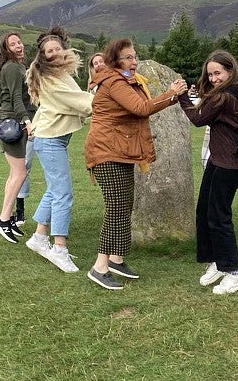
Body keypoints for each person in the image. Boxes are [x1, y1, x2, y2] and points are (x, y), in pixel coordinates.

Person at [83, 38, 187, 290]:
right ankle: (99, 267)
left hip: (120, 150)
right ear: (115, 61)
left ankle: (116, 259)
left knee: (124, 204)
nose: (134, 60)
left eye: (135, 56)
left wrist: (171, 96)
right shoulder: (114, 81)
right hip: (107, 151)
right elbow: (140, 108)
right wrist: (172, 94)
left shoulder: (125, 79)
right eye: (129, 57)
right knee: (116, 207)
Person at [178, 50, 238, 294]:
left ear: (230, 71)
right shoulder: (237, 90)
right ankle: (217, 261)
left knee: (218, 215)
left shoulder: (226, 96)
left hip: (230, 163)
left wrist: (182, 95)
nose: (214, 78)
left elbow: (197, 118)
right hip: (220, 159)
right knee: (204, 209)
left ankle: (234, 271)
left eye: (218, 73)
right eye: (210, 74)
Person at [23, 27, 94, 273]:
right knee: (64, 194)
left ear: (63, 49)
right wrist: (111, 101)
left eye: (57, 48)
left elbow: (77, 97)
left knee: (54, 191)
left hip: (53, 139)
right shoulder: (51, 79)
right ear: (42, 55)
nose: (54, 52)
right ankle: (59, 248)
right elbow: (79, 102)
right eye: (48, 50)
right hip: (50, 140)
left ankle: (39, 238)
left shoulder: (59, 74)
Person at [0, 32, 32, 244]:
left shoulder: (17, 67)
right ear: (6, 49)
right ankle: (3, 219)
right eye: (12, 44)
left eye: (19, 42)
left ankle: (6, 219)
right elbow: (16, 98)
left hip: (11, 122)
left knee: (15, 173)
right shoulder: (13, 68)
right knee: (20, 173)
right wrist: (26, 120)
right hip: (12, 124)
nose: (18, 45)